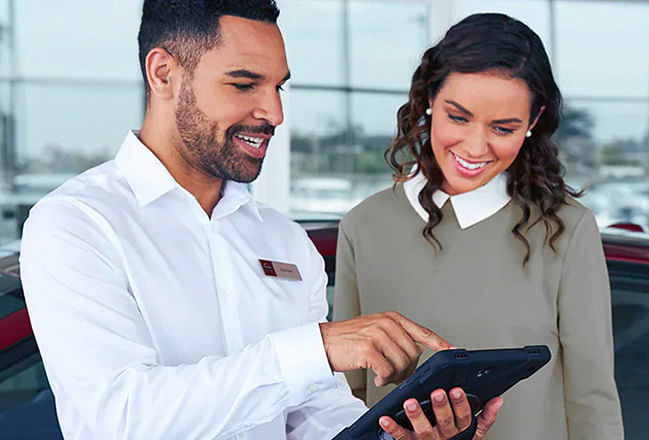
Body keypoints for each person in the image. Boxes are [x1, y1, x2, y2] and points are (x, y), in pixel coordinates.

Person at [19, 2, 501, 439]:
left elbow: (311, 416)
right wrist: (315, 349)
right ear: (163, 73)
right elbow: (121, 419)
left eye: (279, 86)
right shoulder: (76, 225)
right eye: (244, 84)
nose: (274, 112)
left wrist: (400, 436)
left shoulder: (286, 242)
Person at [333, 12, 624, 440]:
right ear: (430, 98)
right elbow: (346, 398)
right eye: (458, 117)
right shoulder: (365, 226)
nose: (474, 147)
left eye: (502, 128)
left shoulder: (566, 229)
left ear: (533, 121)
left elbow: (592, 399)